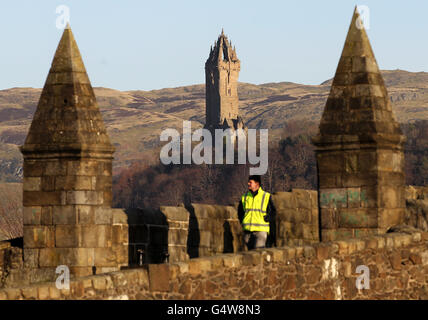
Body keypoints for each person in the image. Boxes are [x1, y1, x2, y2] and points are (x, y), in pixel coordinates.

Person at [238, 175, 276, 250]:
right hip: (247, 231)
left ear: (257, 184)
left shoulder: (266, 196)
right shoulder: (244, 197)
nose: (248, 183)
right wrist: (243, 221)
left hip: (260, 231)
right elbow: (240, 212)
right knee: (245, 256)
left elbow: (273, 212)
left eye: (250, 182)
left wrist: (268, 217)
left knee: (257, 254)